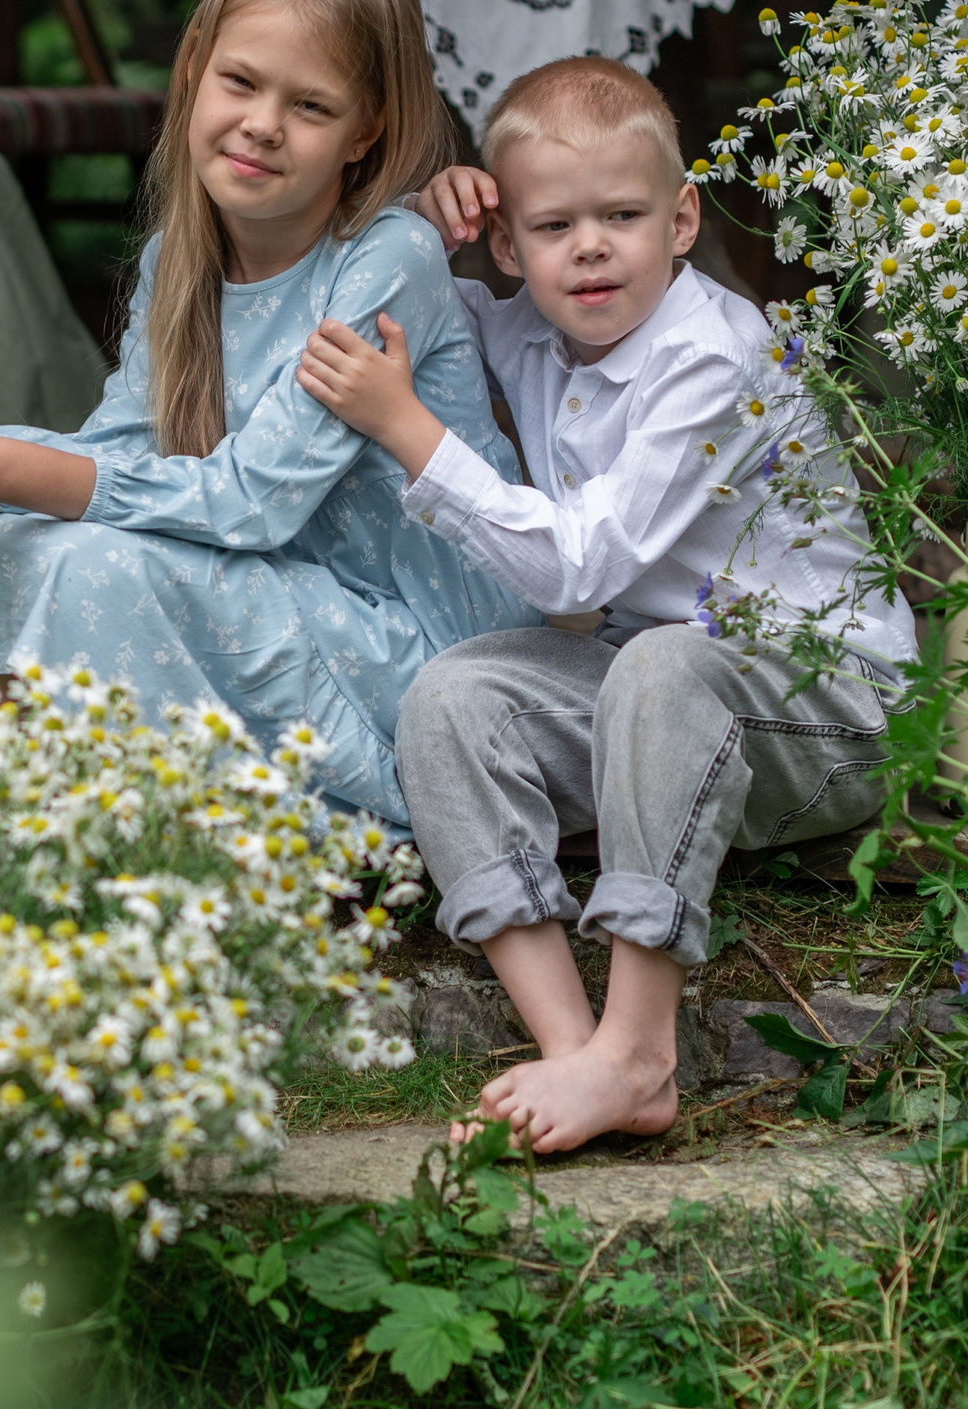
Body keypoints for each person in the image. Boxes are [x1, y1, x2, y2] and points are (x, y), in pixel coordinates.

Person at [295, 57, 917, 1151]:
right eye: (551, 225)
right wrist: (411, 219)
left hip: (824, 712)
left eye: (622, 215)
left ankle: (641, 1045)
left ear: (681, 219)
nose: (587, 246)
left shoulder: (713, 356)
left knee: (662, 660)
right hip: (657, 701)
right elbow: (418, 307)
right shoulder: (527, 325)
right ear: (508, 243)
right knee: (453, 693)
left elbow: (581, 572)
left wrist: (408, 430)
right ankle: (575, 1045)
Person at [0, 0, 537, 825]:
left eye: (310, 107)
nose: (263, 125)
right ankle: (4, 830)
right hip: (285, 606)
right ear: (196, 65)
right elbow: (122, 449)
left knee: (99, 568)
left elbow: (253, 502)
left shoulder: (388, 256)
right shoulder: (180, 261)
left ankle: (138, 834)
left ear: (367, 131)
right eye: (240, 81)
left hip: (424, 660)